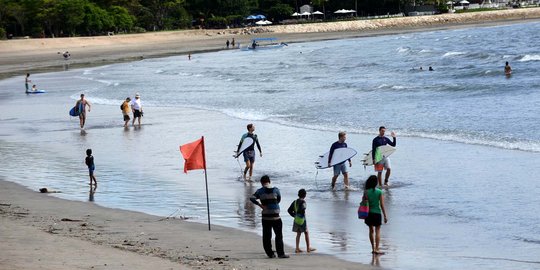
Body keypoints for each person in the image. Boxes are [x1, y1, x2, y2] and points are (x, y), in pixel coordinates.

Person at [250, 175, 289, 259]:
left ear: (261, 183)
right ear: (269, 181)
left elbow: (252, 198)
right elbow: (278, 200)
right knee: (278, 235)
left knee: (267, 236)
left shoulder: (260, 191)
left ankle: (270, 253)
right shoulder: (276, 190)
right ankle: (281, 253)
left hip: (266, 217)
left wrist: (260, 205)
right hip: (276, 216)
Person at [363, 175, 388, 255]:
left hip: (368, 213)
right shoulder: (379, 192)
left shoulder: (366, 192)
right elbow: (382, 205)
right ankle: (377, 248)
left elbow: (364, 203)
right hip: (377, 213)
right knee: (377, 231)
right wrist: (385, 215)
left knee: (371, 230)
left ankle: (373, 248)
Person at [287, 189, 316, 253]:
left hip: (296, 219)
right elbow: (303, 209)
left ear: (298, 194)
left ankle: (297, 248)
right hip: (302, 219)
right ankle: (308, 248)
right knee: (306, 232)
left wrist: (294, 215)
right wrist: (301, 215)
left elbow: (289, 210)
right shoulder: (303, 202)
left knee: (298, 233)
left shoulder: (294, 202)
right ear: (305, 195)